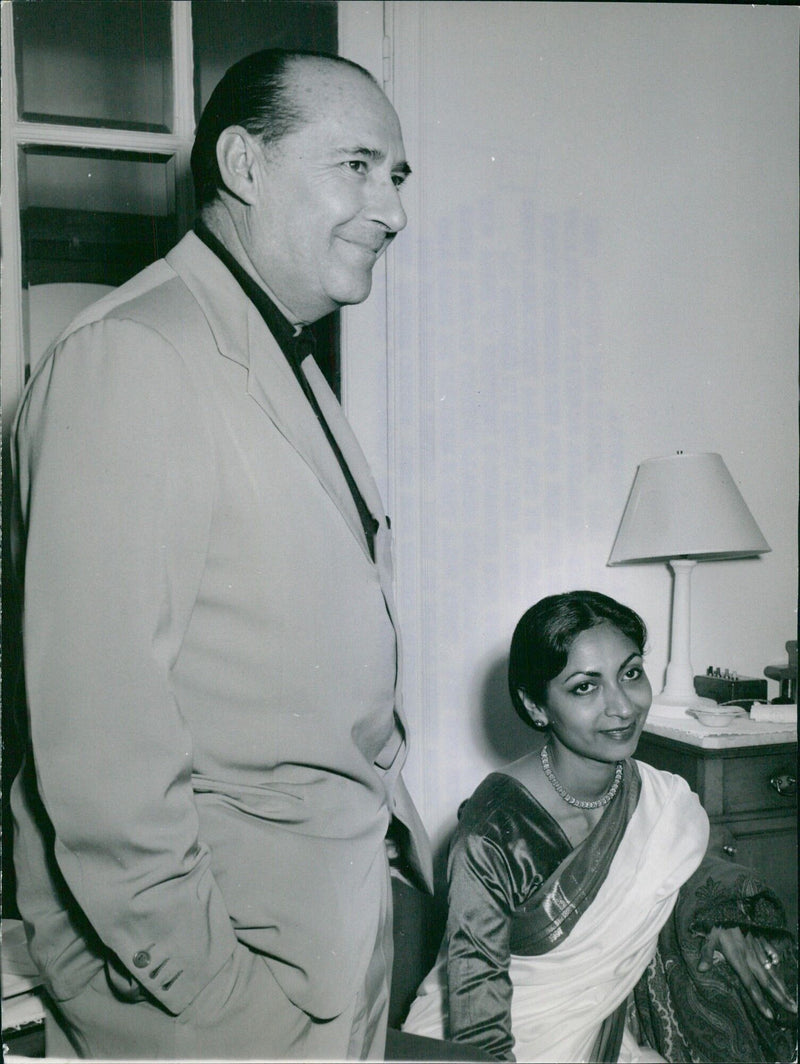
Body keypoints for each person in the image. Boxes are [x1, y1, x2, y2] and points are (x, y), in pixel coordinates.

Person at [9, 48, 432, 1061]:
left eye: (398, 176)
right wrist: (217, 996)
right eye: (359, 165)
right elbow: (102, 747)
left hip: (327, 947)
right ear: (243, 163)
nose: (392, 209)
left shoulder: (277, 354)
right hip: (228, 987)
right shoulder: (134, 354)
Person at [403, 591, 797, 1062]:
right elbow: (477, 1012)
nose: (622, 707)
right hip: (492, 1040)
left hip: (600, 1031)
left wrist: (721, 921)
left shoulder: (657, 794)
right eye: (584, 687)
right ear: (535, 707)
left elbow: (676, 867)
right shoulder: (494, 827)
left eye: (630, 674)